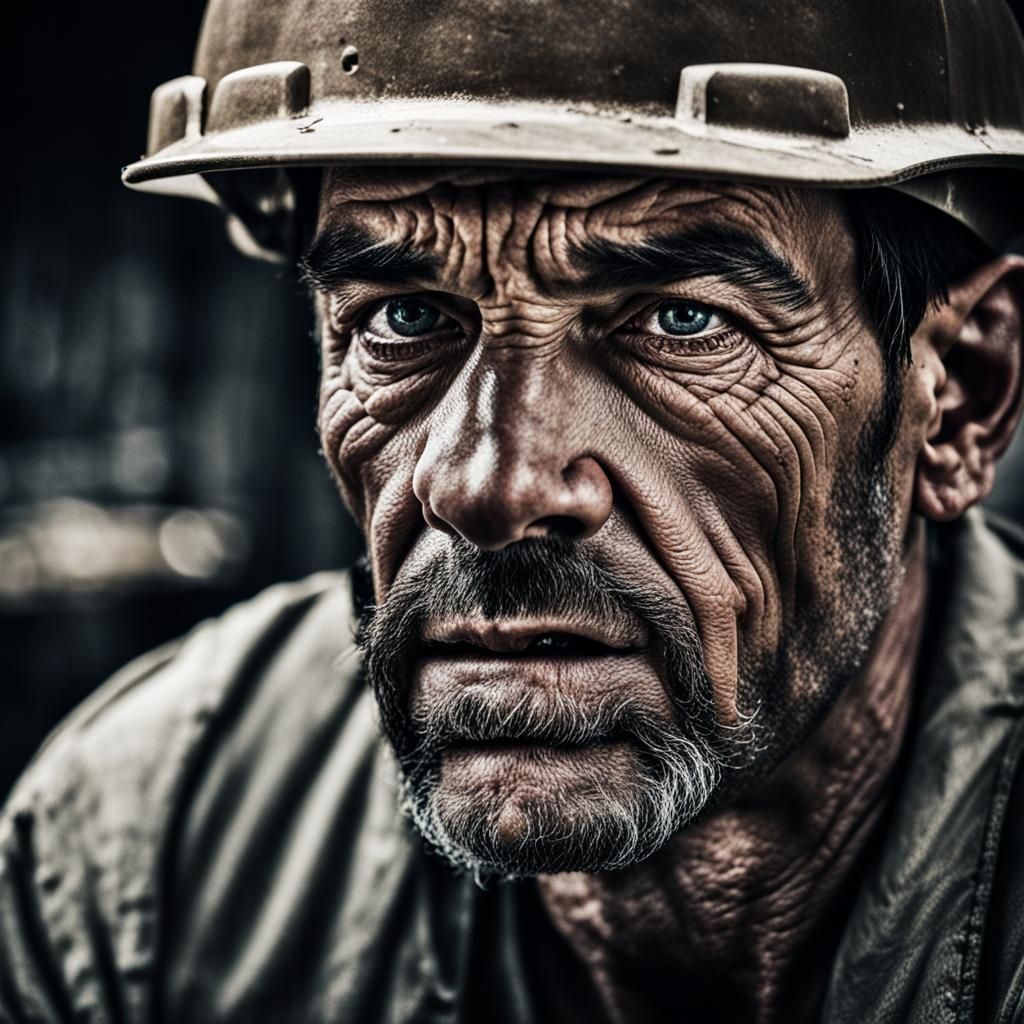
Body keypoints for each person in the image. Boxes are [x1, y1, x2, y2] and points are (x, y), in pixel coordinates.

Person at [3, 0, 1024, 1021]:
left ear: (961, 398)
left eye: (680, 321)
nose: (485, 486)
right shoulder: (144, 857)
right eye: (403, 319)